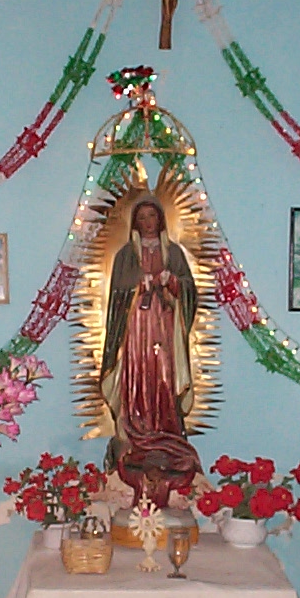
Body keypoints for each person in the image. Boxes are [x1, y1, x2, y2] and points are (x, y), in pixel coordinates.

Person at [100, 194, 201, 507]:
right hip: (135, 331)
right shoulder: (125, 255)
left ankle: (166, 430)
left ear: (160, 219)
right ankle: (136, 431)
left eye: (152, 217)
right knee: (138, 376)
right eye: (142, 218)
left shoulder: (175, 253)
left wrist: (173, 283)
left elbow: (190, 291)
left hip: (165, 329)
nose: (147, 223)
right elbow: (117, 295)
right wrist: (137, 287)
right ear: (135, 222)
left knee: (164, 378)